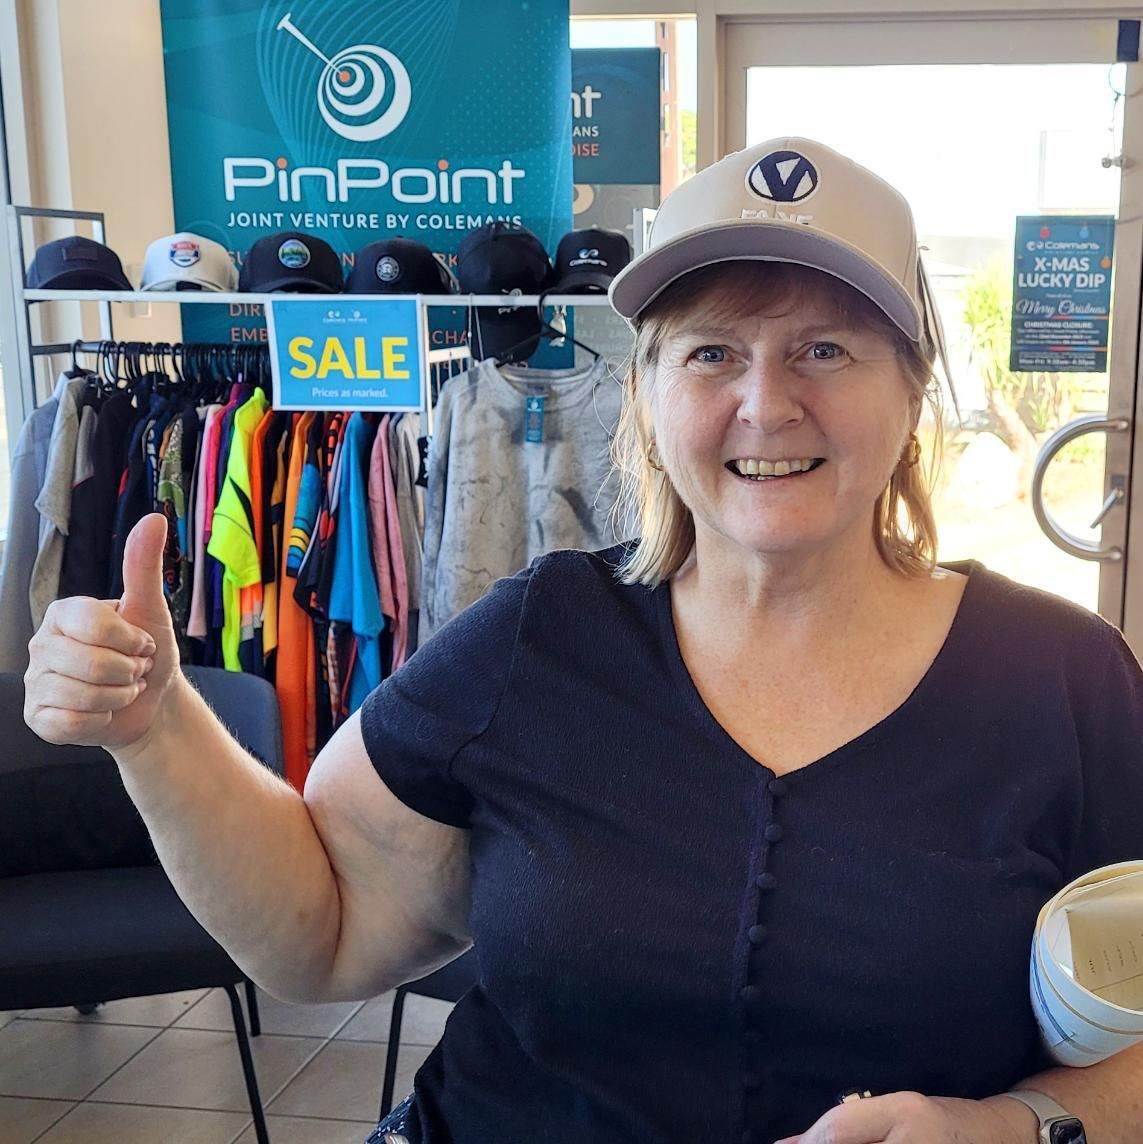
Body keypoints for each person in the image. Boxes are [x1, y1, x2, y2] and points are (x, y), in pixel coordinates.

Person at [22, 137, 1143, 1144]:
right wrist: (158, 728)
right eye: (710, 353)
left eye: (826, 350)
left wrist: (1018, 1124)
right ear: (647, 394)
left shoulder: (1063, 682)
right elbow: (323, 934)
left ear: (911, 390)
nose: (765, 401)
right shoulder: (535, 638)